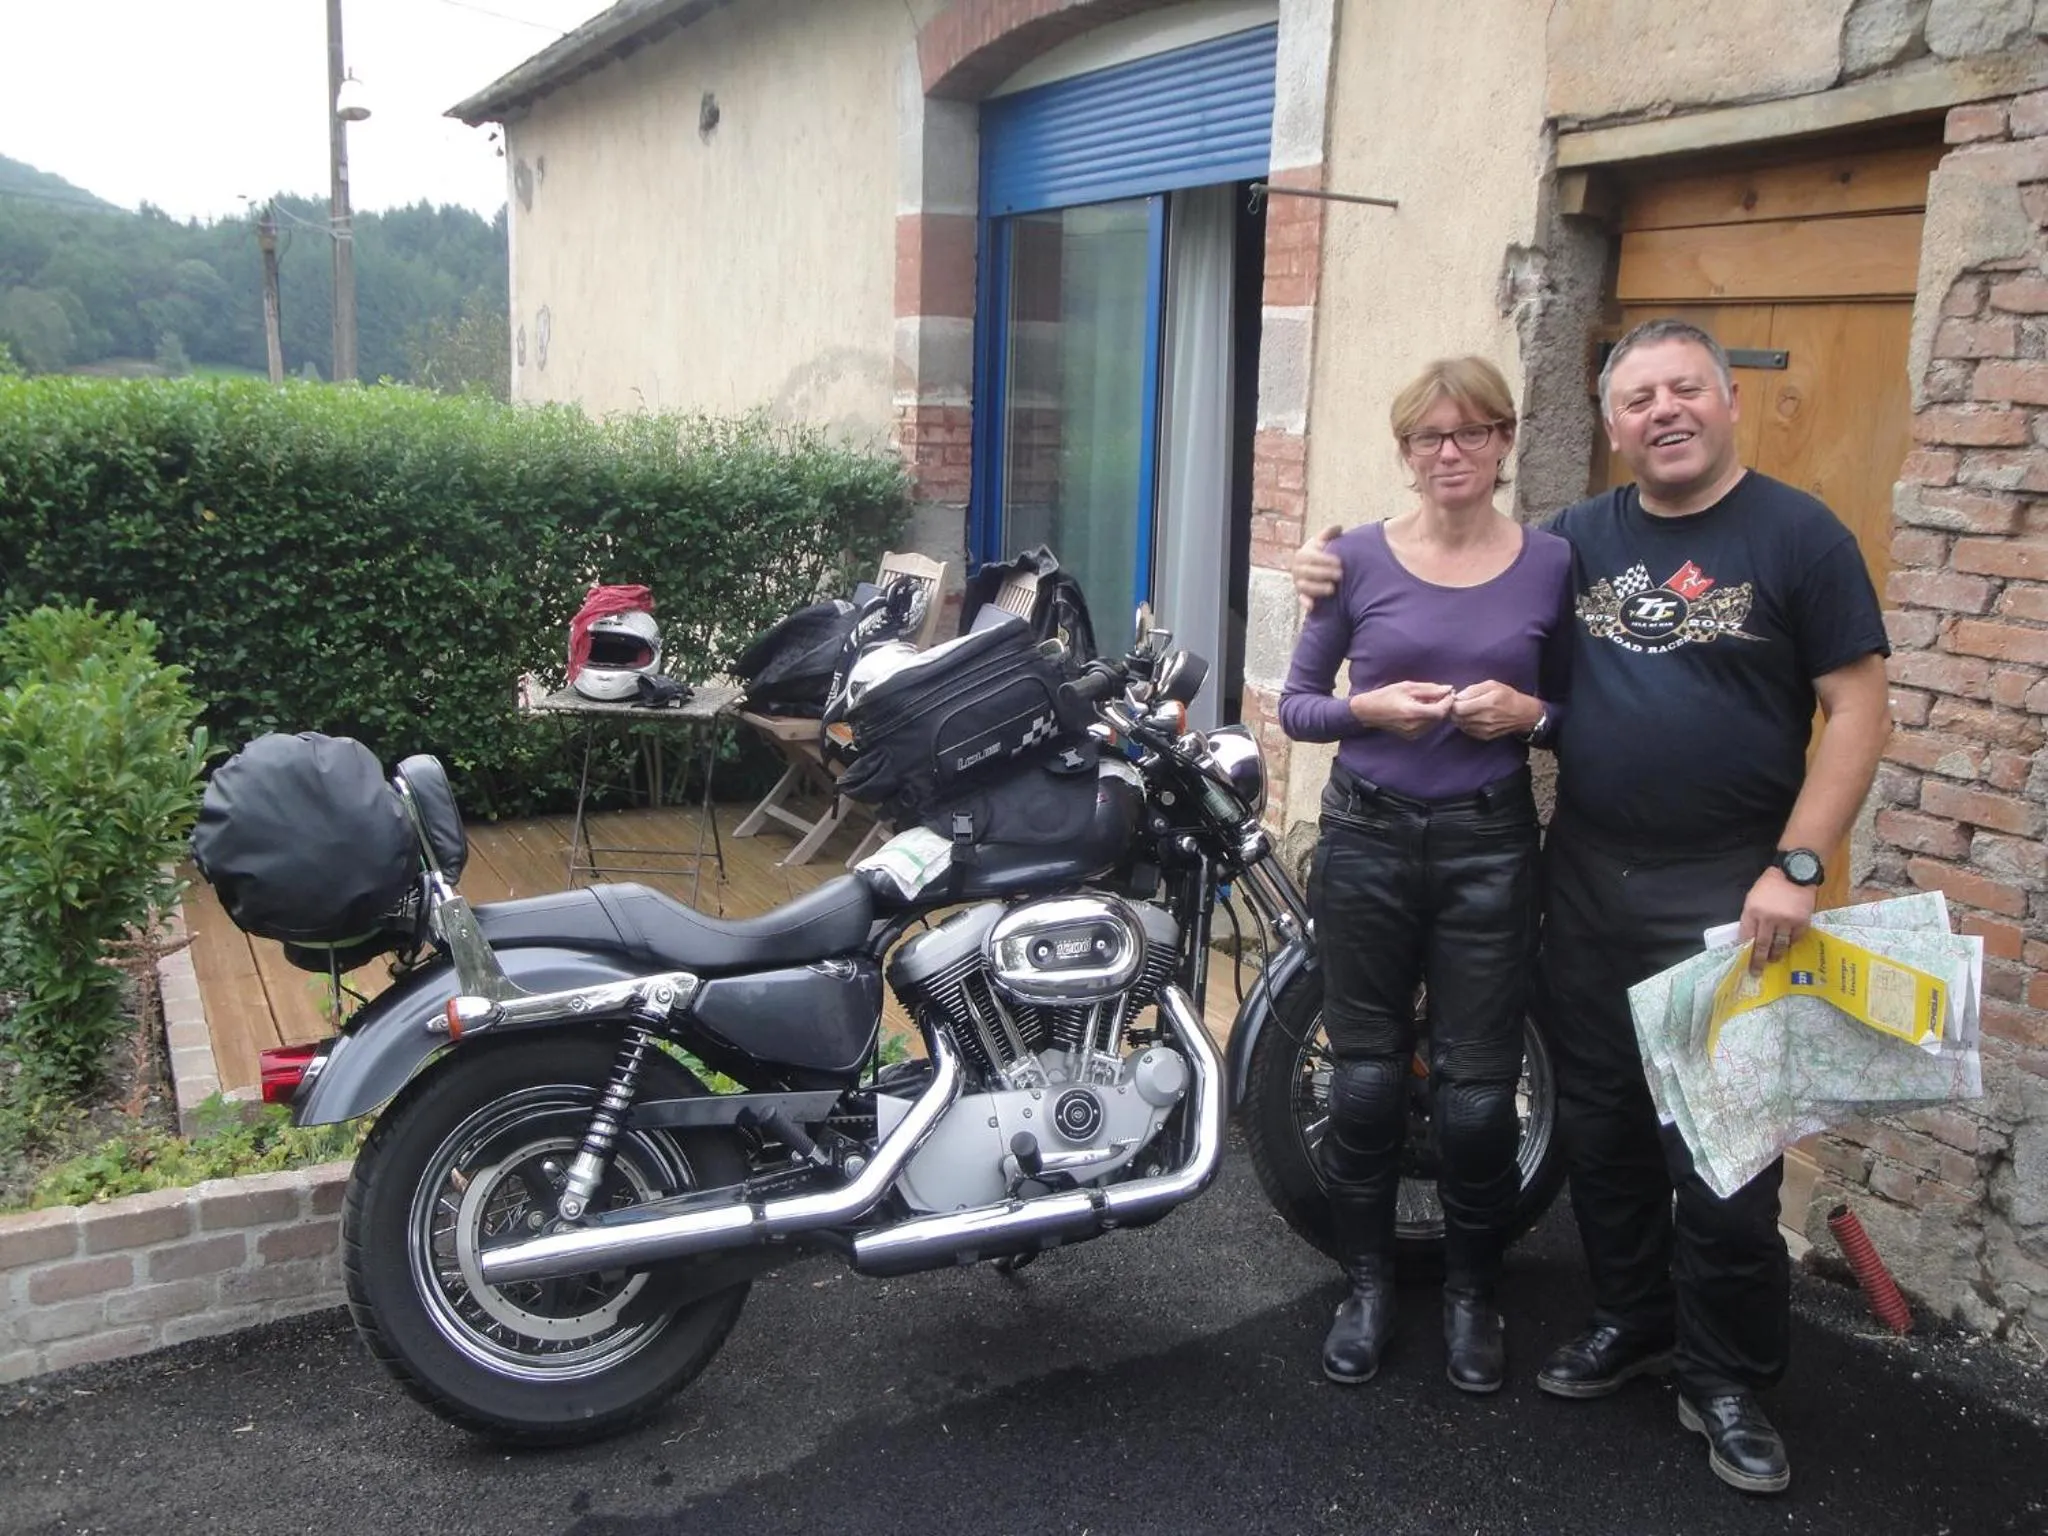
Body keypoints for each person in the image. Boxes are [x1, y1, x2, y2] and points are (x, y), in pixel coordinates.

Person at [1290, 319, 1891, 1495]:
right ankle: (1630, 1320)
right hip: (1581, 868)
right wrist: (1326, 567)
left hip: (1733, 886)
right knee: (1602, 1125)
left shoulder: (1799, 534)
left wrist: (1802, 864)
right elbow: (1452, 558)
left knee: (1720, 1146)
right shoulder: (1570, 543)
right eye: (1635, 399)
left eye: (1682, 391)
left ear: (1725, 401)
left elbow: (1856, 709)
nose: (1661, 413)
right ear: (1608, 425)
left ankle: (1723, 1378)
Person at [1278, 356, 1572, 1395]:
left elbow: (1580, 715)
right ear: (1403, 453)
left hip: (1489, 841)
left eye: (1469, 433)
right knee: (1362, 1081)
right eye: (1425, 438)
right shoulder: (1351, 559)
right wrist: (1368, 710)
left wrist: (1528, 718)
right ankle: (1363, 1285)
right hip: (1364, 834)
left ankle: (1469, 1291)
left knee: (1478, 1095)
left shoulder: (1550, 564)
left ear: (1501, 443)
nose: (1447, 453)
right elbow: (1296, 706)